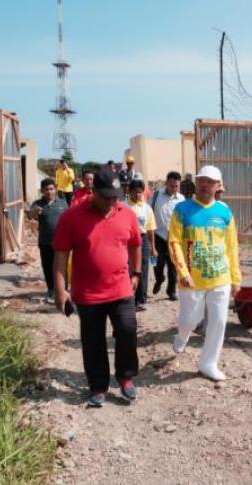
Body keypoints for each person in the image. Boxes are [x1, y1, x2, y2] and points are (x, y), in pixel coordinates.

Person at [52, 169, 142, 408]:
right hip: (88, 293)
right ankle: (98, 386)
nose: (111, 202)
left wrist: (137, 272)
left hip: (121, 288)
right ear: (93, 192)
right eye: (106, 197)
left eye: (115, 197)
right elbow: (61, 255)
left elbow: (135, 244)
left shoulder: (127, 214)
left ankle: (125, 377)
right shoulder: (72, 217)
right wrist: (61, 290)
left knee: (127, 330)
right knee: (93, 341)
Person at [169, 165, 242, 382]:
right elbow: (174, 242)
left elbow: (232, 247)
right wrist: (182, 271)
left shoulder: (224, 211)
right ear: (196, 183)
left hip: (220, 278)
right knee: (189, 321)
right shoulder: (182, 210)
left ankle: (208, 363)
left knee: (218, 322)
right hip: (191, 279)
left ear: (218, 186)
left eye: (210, 182)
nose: (205, 185)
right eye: (202, 180)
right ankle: (182, 336)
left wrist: (235, 277)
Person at [28, 178, 68, 302]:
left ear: (55, 189)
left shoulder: (63, 203)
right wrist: (33, 212)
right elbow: (31, 215)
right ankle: (51, 289)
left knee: (61, 267)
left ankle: (63, 290)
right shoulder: (37, 204)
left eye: (51, 189)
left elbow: (69, 220)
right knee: (47, 266)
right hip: (45, 241)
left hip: (61, 243)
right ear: (42, 191)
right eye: (46, 189)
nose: (49, 192)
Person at [125, 175, 158, 312]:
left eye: (140, 191)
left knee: (143, 269)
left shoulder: (147, 208)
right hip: (127, 240)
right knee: (128, 269)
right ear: (130, 191)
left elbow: (150, 229)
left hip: (143, 239)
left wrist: (153, 247)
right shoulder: (123, 206)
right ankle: (128, 298)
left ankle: (140, 300)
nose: (138, 194)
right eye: (136, 191)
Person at [151, 171, 185, 301]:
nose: (174, 188)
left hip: (174, 237)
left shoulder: (181, 199)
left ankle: (171, 291)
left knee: (173, 265)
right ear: (167, 183)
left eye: (176, 186)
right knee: (156, 263)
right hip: (158, 235)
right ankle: (159, 278)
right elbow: (149, 212)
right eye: (172, 185)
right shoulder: (156, 196)